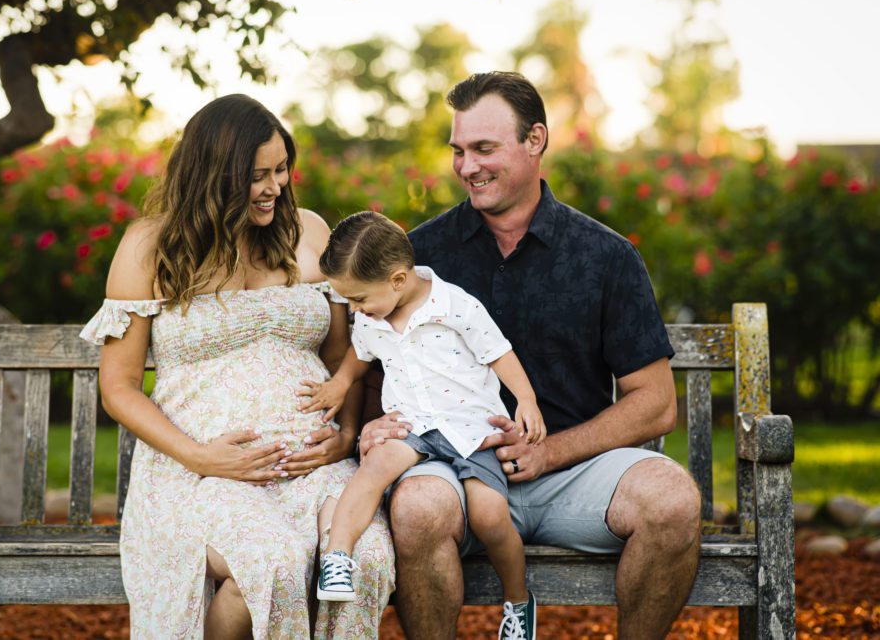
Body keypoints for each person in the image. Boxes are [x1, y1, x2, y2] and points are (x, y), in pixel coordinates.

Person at [359, 72, 702, 640]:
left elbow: (657, 403)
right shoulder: (418, 256)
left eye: (484, 148)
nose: (468, 166)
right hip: (452, 469)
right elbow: (374, 368)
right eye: (459, 151)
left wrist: (550, 453)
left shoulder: (605, 256)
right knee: (416, 509)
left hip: (571, 475)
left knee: (671, 500)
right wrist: (374, 426)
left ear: (535, 140)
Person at [79, 94, 395, 639]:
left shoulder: (309, 233)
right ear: (214, 176)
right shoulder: (151, 247)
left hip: (315, 467)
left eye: (281, 170)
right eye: (256, 176)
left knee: (366, 558)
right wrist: (201, 456)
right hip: (200, 472)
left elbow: (342, 357)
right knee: (271, 563)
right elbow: (120, 388)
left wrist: (345, 436)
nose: (275, 187)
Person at [298, 211, 544, 639]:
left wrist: (526, 399)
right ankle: (338, 557)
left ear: (397, 280)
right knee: (375, 466)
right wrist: (339, 384)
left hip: (470, 429)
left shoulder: (457, 306)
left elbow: (499, 353)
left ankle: (518, 601)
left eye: (358, 299)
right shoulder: (372, 319)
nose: (354, 310)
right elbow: (359, 355)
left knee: (489, 515)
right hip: (411, 424)